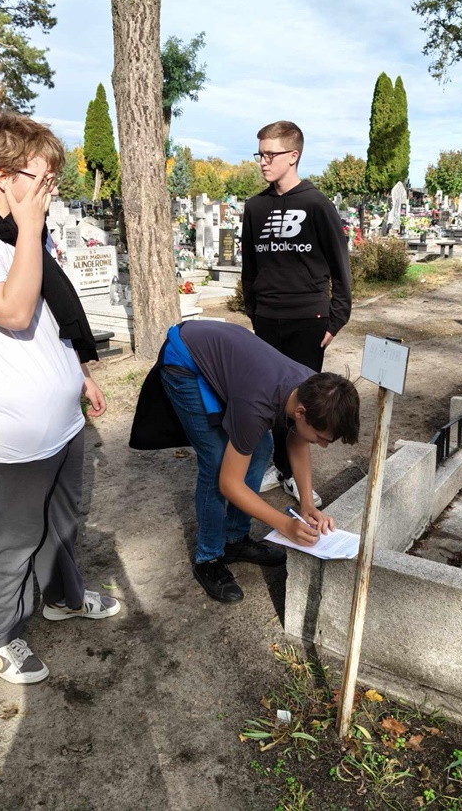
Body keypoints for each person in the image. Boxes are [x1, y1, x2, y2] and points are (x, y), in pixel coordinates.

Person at [0, 113, 120, 686]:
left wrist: (78, 371)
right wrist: (32, 229)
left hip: (59, 421)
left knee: (64, 520)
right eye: (42, 179)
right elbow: (12, 310)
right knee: (8, 540)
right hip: (6, 430)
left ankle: (62, 597)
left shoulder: (20, 234)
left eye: (54, 180)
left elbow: (46, 317)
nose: (50, 190)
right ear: (4, 176)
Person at [130, 321, 360, 603]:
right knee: (216, 463)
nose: (323, 445)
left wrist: (307, 506)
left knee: (261, 447)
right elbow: (229, 484)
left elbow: (298, 441)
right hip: (185, 358)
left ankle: (235, 540)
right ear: (300, 412)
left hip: (231, 362)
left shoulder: (315, 390)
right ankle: (209, 558)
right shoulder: (258, 404)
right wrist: (285, 525)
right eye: (322, 438)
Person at [241, 120, 352, 508]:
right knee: (269, 397)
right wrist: (255, 313)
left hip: (309, 320)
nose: (263, 161)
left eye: (271, 154)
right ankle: (278, 464)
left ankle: (293, 473)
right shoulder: (255, 207)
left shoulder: (317, 204)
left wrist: (336, 319)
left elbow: (341, 267)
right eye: (260, 153)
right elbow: (250, 269)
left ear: (294, 155)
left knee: (303, 400)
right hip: (267, 320)